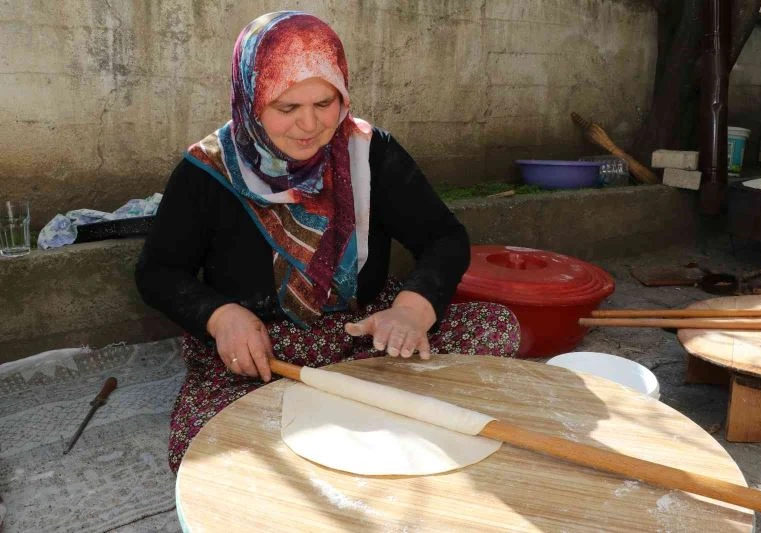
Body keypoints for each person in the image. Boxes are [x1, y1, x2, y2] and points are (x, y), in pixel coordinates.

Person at [135, 11, 521, 473]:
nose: (310, 125)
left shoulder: (368, 152)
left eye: (325, 103)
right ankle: (360, 409)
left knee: (496, 327)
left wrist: (411, 311)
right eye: (286, 107)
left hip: (363, 336)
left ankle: (354, 404)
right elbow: (157, 272)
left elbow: (443, 237)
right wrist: (221, 318)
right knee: (205, 453)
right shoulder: (208, 172)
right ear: (250, 100)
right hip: (264, 355)